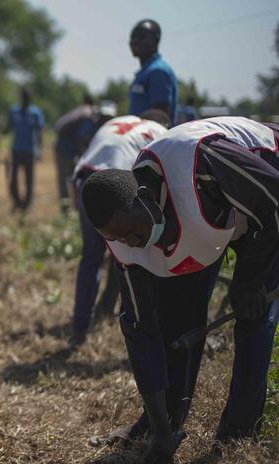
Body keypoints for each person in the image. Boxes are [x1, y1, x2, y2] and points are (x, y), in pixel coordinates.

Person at [80, 117, 279, 463]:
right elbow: (140, 330)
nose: (130, 243)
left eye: (130, 232)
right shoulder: (126, 240)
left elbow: (272, 200)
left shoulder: (202, 161)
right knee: (174, 318)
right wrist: (159, 430)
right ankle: (168, 423)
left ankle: (236, 436)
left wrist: (249, 279)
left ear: (144, 200)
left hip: (267, 203)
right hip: (220, 217)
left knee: (252, 317)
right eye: (118, 239)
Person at [68, 109, 170, 345]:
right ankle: (134, 323)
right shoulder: (160, 133)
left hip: (86, 182)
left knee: (91, 257)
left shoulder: (116, 122)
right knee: (130, 251)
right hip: (115, 189)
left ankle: (80, 326)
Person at [52, 94, 97, 213]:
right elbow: (82, 137)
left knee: (67, 178)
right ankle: (73, 208)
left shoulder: (78, 111)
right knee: (73, 178)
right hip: (66, 149)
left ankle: (68, 207)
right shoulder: (88, 113)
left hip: (63, 147)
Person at [128, 19, 178, 124]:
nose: (135, 41)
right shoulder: (145, 72)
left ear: (155, 40)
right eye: (133, 37)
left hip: (151, 138)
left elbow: (160, 119)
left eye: (141, 37)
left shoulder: (158, 71)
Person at [4, 88, 44, 213]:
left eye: (27, 97)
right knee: (13, 178)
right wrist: (0, 132)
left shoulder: (35, 113)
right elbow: (8, 127)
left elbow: (39, 132)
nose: (25, 99)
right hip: (16, 150)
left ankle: (26, 206)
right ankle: (17, 201)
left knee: (29, 179)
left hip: (30, 151)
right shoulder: (14, 111)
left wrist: (39, 150)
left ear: (29, 98)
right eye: (23, 97)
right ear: (20, 98)